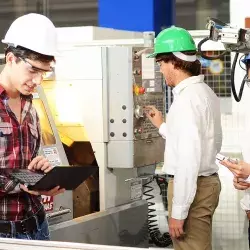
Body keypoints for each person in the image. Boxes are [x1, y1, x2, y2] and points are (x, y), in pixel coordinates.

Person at [145, 26, 222, 250]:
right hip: (204, 184)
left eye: (161, 63)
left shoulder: (187, 101)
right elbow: (202, 142)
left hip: (192, 187)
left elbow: (189, 159)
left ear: (175, 62)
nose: (160, 70)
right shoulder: (204, 93)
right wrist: (161, 125)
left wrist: (178, 213)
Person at [0, 13, 65, 240]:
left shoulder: (30, 107)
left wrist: (39, 170)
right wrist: (27, 185)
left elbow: (23, 162)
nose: (38, 81)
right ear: (11, 59)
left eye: (44, 72)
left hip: (38, 226)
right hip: (4, 233)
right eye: (33, 70)